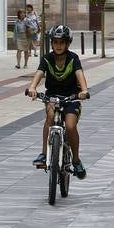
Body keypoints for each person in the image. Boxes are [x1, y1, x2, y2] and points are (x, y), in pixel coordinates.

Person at [27, 24, 89, 178]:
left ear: (68, 43)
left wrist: (84, 91)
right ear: (51, 43)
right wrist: (32, 88)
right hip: (52, 97)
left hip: (71, 98)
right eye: (55, 42)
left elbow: (80, 74)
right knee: (49, 118)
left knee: (69, 125)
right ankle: (43, 153)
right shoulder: (47, 59)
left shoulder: (73, 58)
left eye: (62, 42)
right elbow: (39, 73)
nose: (58, 45)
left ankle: (76, 160)